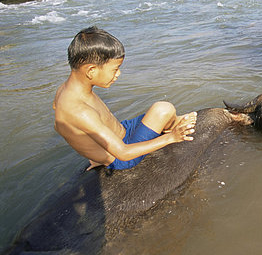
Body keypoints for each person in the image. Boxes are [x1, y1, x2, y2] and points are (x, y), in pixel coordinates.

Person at [53, 26, 197, 171]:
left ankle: (173, 123)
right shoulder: (79, 111)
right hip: (122, 154)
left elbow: (61, 127)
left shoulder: (64, 91)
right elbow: (123, 153)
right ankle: (171, 129)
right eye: (115, 69)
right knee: (163, 109)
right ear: (91, 71)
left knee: (164, 110)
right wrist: (171, 138)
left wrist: (92, 150)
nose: (118, 74)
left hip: (123, 130)